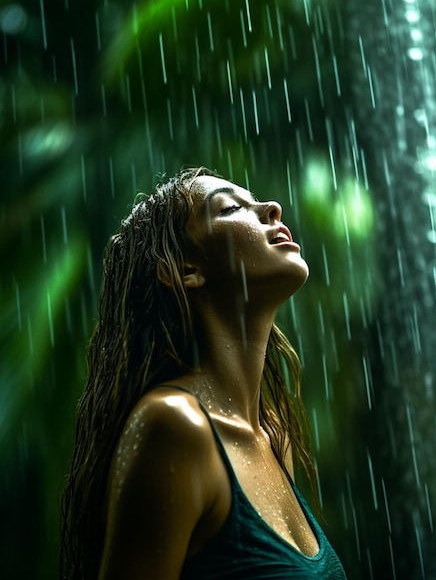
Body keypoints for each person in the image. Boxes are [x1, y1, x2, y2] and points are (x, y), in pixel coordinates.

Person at [60, 167, 347, 579]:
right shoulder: (176, 427)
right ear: (183, 270)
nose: (271, 208)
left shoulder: (274, 438)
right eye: (231, 208)